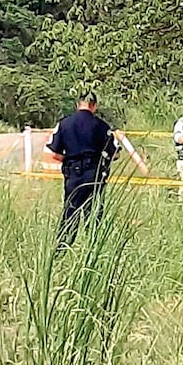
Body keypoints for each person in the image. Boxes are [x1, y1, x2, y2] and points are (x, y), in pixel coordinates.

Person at [47, 92, 117, 248]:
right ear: (94, 105)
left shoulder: (64, 124)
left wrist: (70, 160)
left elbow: (54, 153)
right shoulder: (101, 126)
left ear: (78, 105)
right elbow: (115, 154)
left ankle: (61, 251)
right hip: (95, 175)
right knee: (93, 216)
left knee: (70, 214)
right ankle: (93, 251)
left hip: (73, 175)